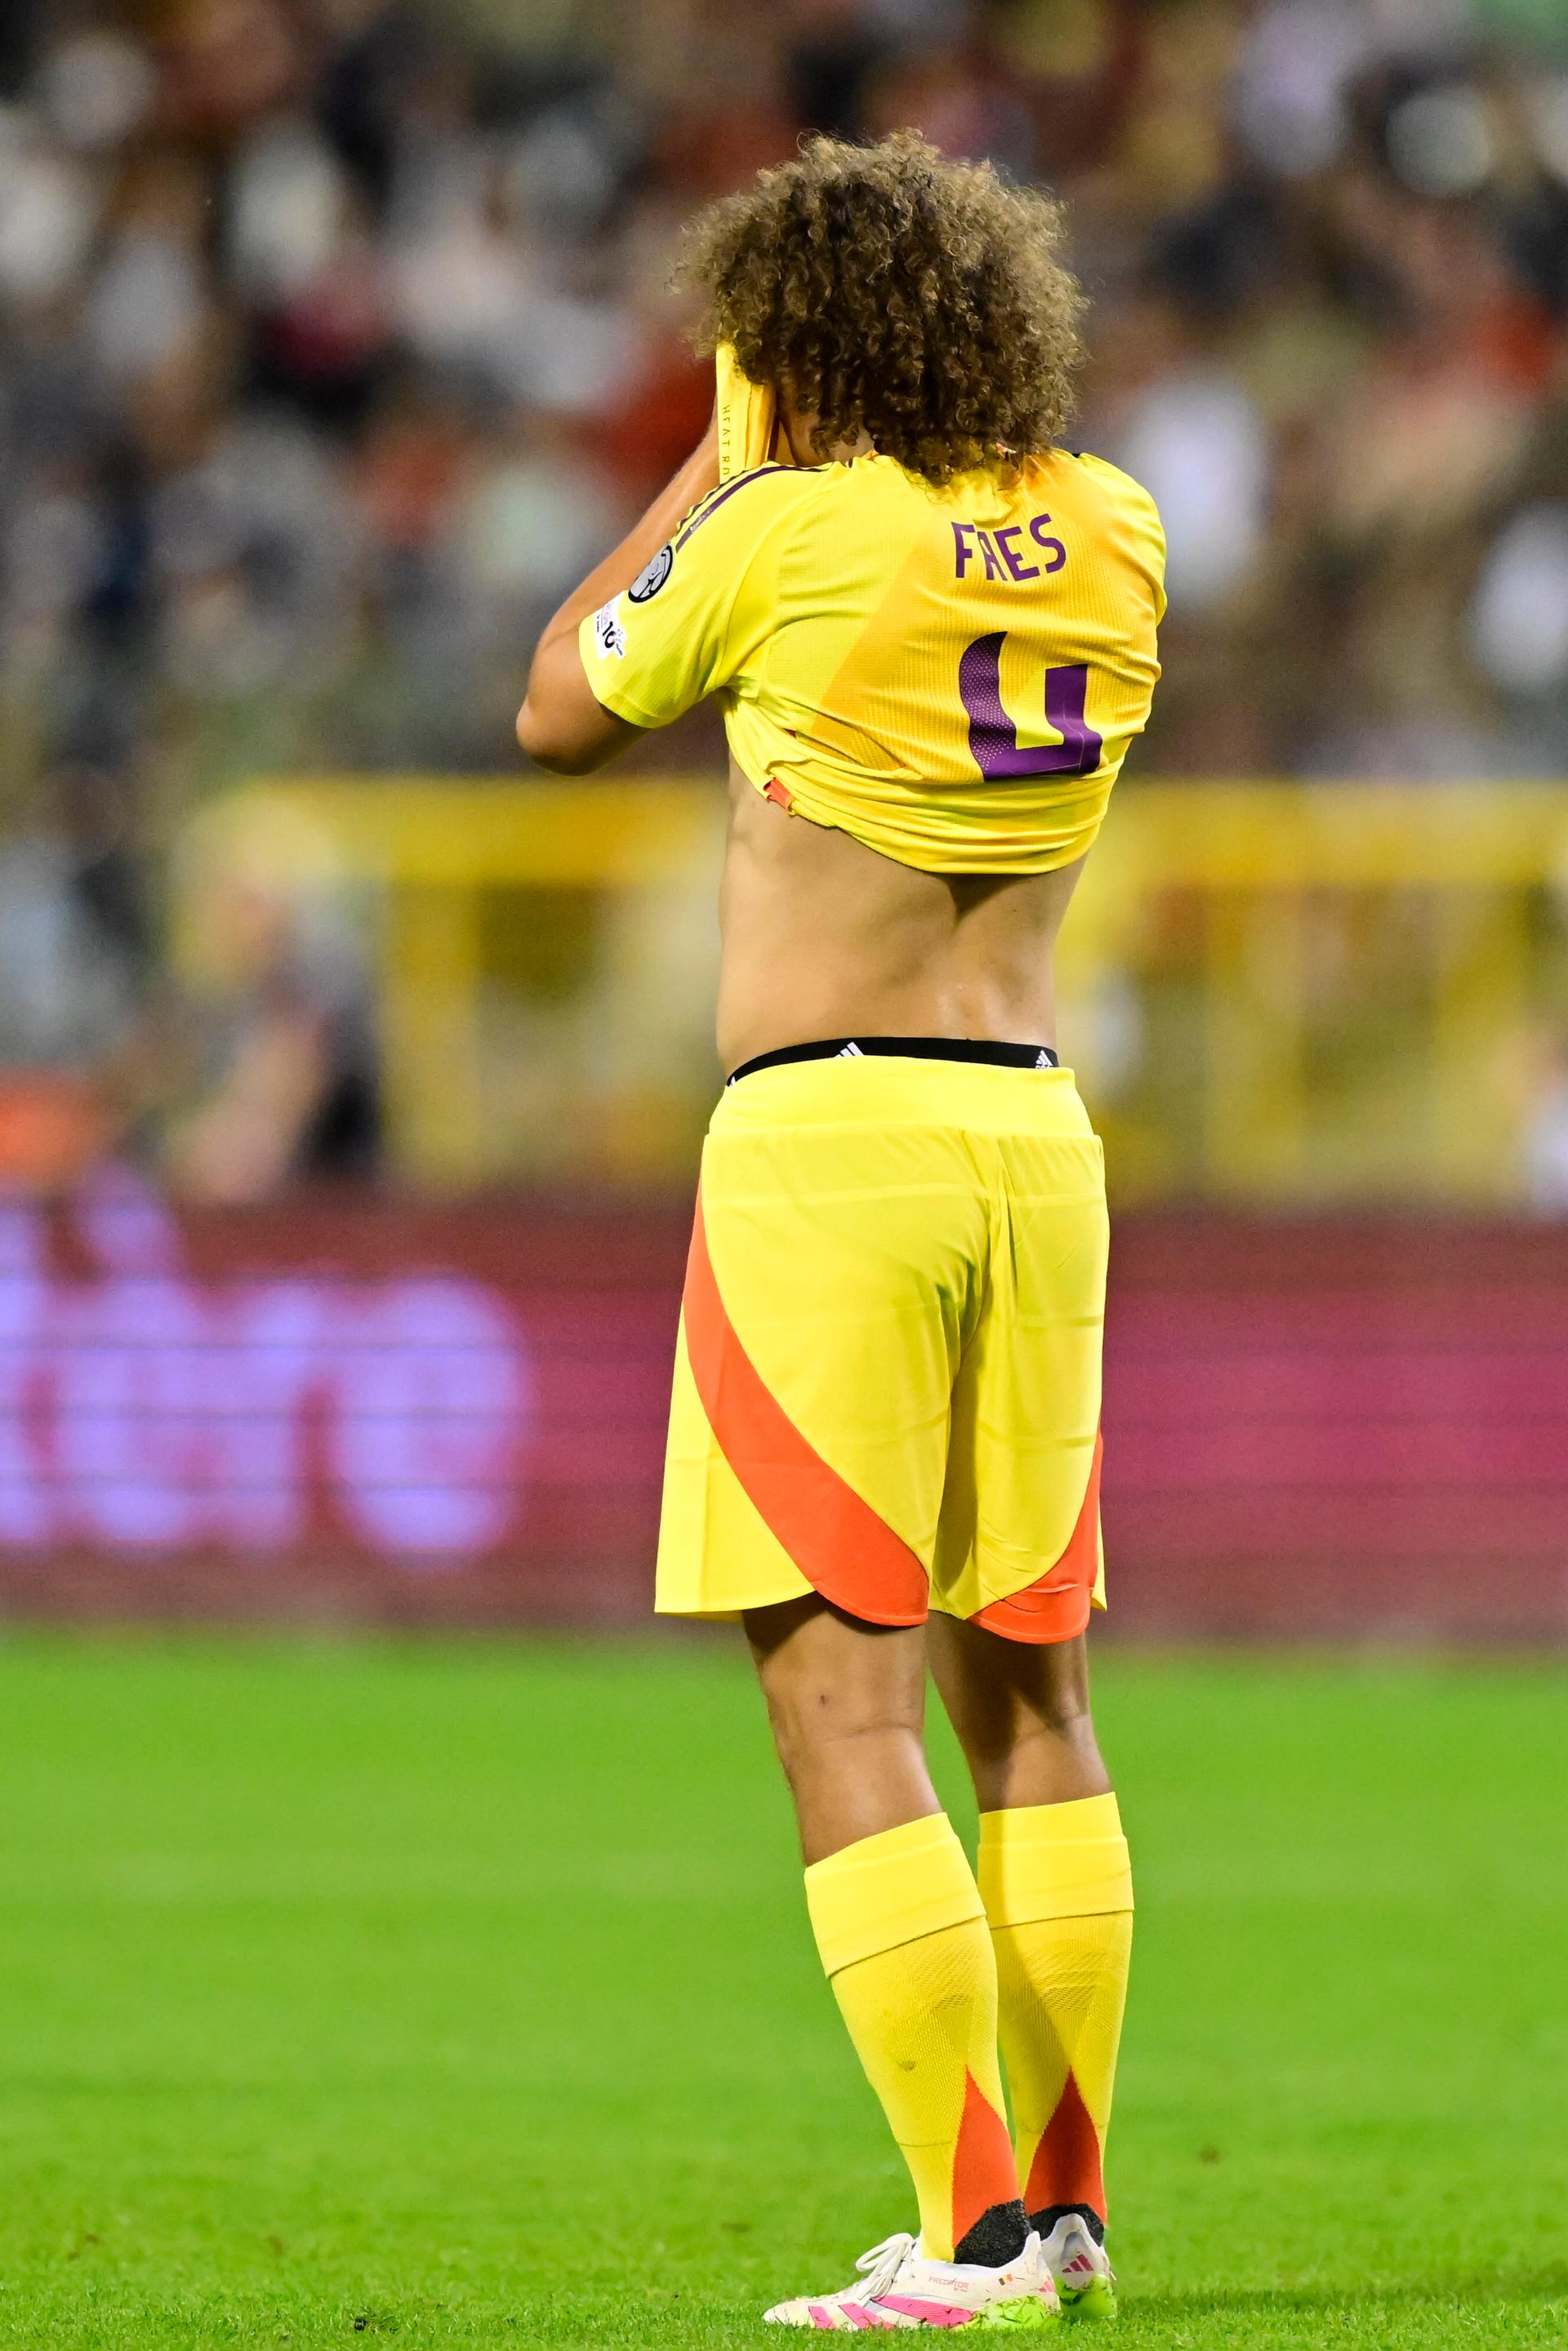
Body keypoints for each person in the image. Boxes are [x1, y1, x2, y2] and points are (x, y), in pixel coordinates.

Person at [518, 132, 1163, 2332]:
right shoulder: (1119, 526)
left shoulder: (782, 527)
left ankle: (967, 2237)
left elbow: (556, 709)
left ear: (782, 342)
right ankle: (1068, 2209)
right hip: (1038, 1136)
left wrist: (715, 462)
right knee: (1035, 1698)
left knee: (843, 1711)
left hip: (832, 1140)